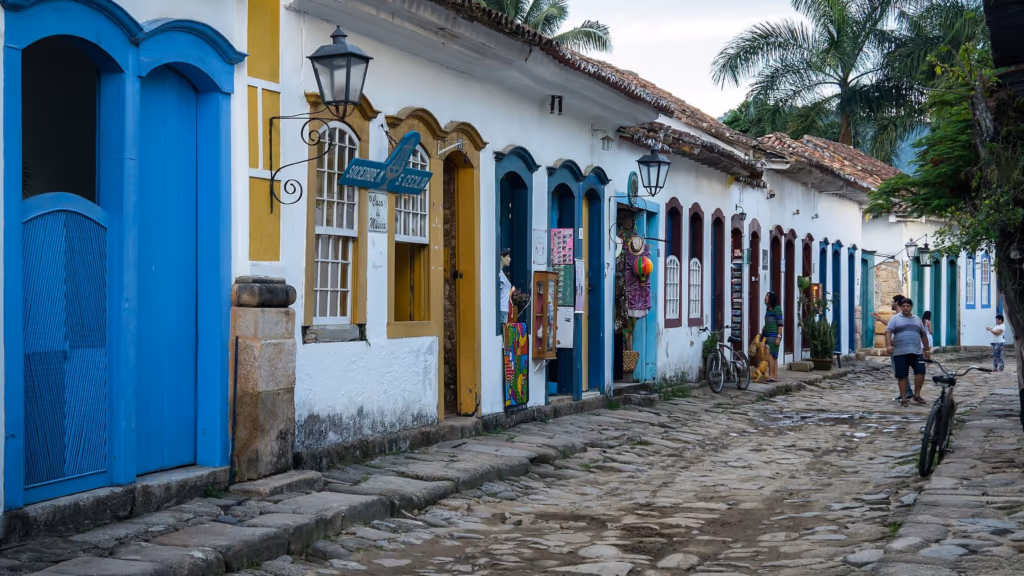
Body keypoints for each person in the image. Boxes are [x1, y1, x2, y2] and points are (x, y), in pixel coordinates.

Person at [885, 298, 932, 407]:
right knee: (902, 375)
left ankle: (917, 395)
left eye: (908, 306)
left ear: (911, 307)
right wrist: (888, 345)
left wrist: (927, 350)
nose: (906, 308)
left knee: (921, 371)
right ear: (901, 307)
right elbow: (888, 331)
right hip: (900, 352)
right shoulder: (895, 319)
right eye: (903, 306)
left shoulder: (917, 319)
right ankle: (903, 398)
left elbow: (923, 335)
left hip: (916, 352)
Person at [762, 291, 783, 383]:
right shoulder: (768, 309)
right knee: (773, 356)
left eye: (768, 296)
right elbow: (770, 321)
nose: (766, 297)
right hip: (768, 334)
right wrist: (764, 327)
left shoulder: (777, 309)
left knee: (771, 355)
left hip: (774, 335)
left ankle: (771, 375)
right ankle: (774, 376)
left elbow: (780, 324)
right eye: (766, 296)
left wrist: (778, 337)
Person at [499, 249, 515, 322]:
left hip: (503, 309)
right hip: (502, 309)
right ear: (502, 257)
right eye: (508, 256)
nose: (510, 259)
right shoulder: (499, 274)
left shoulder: (501, 273)